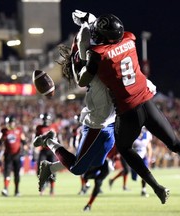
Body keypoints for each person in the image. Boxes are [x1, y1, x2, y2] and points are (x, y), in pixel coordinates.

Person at [73, 13, 180, 204]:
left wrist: (79, 59)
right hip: (148, 104)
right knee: (175, 143)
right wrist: (94, 21)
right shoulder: (129, 39)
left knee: (124, 148)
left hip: (127, 111)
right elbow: (109, 32)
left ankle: (156, 186)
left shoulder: (97, 54)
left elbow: (82, 80)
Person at [33, 10, 117, 211]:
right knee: (79, 168)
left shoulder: (101, 48)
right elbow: (83, 73)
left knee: (93, 162)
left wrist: (89, 20)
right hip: (97, 118)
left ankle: (51, 167)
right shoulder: (87, 56)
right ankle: (49, 141)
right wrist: (87, 22)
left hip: (110, 118)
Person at [0, 115, 27, 197]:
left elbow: (24, 141)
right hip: (8, 155)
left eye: (12, 123)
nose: (11, 124)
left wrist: (25, 146)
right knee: (7, 173)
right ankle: (5, 189)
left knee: (17, 173)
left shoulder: (19, 130)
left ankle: (17, 190)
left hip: (17, 154)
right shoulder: (3, 131)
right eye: (9, 123)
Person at [33, 113, 59, 196]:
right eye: (44, 120)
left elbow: (59, 138)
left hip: (52, 150)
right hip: (43, 150)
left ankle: (52, 189)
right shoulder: (39, 127)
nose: (45, 121)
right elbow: (35, 139)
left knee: (53, 170)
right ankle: (43, 186)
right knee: (40, 169)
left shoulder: (54, 126)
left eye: (46, 119)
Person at [131, 127, 153, 197]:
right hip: (134, 156)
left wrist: (149, 158)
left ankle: (143, 190)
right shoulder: (132, 133)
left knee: (145, 174)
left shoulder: (148, 134)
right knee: (134, 177)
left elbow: (149, 147)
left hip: (144, 156)